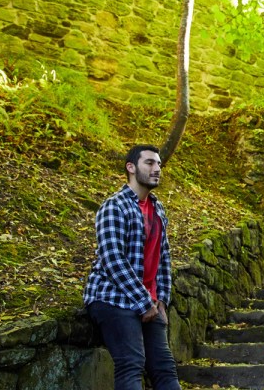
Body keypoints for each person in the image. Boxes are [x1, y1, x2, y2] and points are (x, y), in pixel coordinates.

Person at [83, 144, 181, 390]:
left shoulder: (157, 209)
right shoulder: (114, 206)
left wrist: (161, 300)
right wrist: (143, 301)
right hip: (113, 297)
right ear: (131, 167)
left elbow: (164, 257)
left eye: (159, 164)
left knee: (165, 368)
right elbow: (112, 258)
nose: (157, 168)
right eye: (149, 163)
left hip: (148, 301)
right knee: (131, 363)